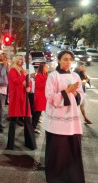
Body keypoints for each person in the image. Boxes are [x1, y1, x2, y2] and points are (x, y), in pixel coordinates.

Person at [45, 50, 85, 183]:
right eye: (65, 59)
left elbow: (81, 95)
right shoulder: (53, 76)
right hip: (57, 120)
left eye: (70, 59)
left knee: (72, 151)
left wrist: (75, 94)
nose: (68, 62)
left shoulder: (75, 76)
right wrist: (67, 90)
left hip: (72, 119)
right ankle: (56, 178)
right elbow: (49, 97)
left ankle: (72, 177)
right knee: (58, 152)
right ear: (59, 60)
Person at [6, 55, 31, 150]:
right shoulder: (13, 70)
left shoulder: (22, 69)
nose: (21, 61)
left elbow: (28, 81)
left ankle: (29, 142)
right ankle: (10, 144)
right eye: (20, 59)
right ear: (16, 60)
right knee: (13, 121)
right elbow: (16, 81)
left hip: (23, 96)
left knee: (27, 118)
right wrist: (24, 75)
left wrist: (29, 87)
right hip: (16, 97)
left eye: (22, 59)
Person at [33, 62, 48, 134]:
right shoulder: (39, 75)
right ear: (43, 67)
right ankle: (33, 126)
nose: (47, 68)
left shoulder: (45, 74)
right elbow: (38, 86)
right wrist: (46, 81)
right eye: (46, 67)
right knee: (37, 112)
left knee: (39, 112)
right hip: (39, 96)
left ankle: (34, 125)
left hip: (43, 96)